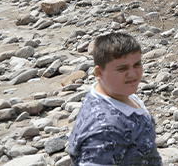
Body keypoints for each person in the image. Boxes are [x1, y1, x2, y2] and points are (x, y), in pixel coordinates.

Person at [68, 32, 161, 166]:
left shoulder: (114, 92)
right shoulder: (105, 130)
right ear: (99, 73)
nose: (133, 74)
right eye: (122, 68)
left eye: (137, 65)